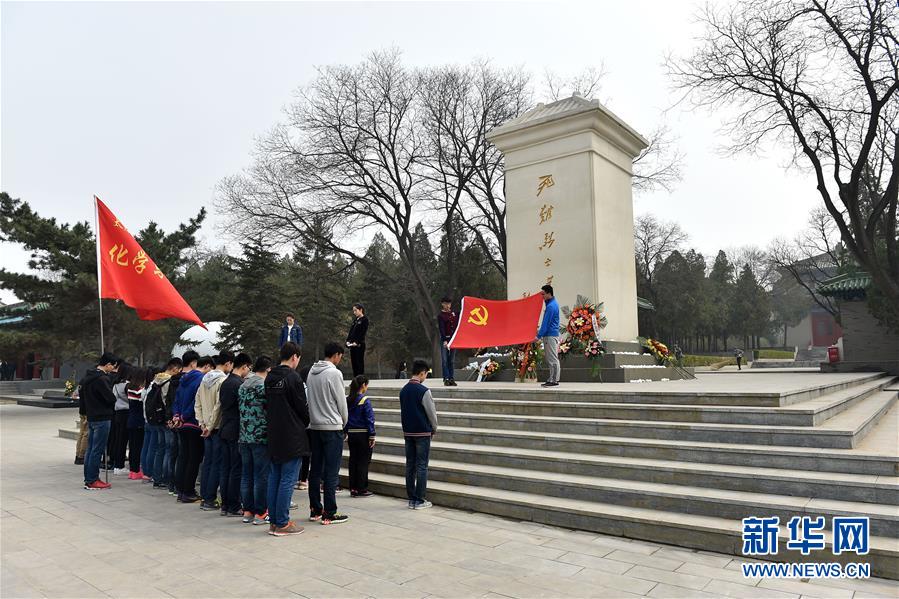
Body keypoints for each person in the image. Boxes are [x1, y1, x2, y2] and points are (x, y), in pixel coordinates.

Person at [264, 342, 310, 536]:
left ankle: (274, 521)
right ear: (294, 357)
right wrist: (306, 419)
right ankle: (283, 523)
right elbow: (301, 406)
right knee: (287, 479)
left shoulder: (270, 377)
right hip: (291, 435)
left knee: (275, 477)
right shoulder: (293, 377)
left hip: (274, 432)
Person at [306, 342, 349, 525]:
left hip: (314, 426)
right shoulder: (334, 373)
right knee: (331, 471)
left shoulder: (311, 372)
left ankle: (315, 509)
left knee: (315, 470)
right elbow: (341, 402)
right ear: (337, 355)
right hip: (332, 427)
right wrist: (344, 422)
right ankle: (329, 512)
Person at [195, 350, 234, 510]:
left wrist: (202, 423)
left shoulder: (204, 378)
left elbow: (197, 402)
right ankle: (210, 498)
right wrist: (210, 426)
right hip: (216, 428)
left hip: (206, 428)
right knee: (217, 464)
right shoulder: (223, 380)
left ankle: (205, 496)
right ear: (228, 364)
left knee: (208, 462)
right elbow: (219, 405)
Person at [172, 355, 214, 503]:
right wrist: (185, 416)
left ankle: (181, 490)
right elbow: (196, 402)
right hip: (193, 423)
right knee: (193, 459)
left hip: (182, 425)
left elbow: (176, 400)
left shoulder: (183, 380)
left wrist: (177, 416)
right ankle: (188, 491)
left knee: (183, 457)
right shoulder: (199, 380)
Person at [239, 355, 272, 525]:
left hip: (243, 436)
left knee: (246, 475)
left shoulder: (243, 386)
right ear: (267, 369)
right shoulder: (262, 386)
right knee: (261, 476)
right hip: (260, 436)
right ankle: (261, 512)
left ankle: (247, 511)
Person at [400, 360, 438, 509]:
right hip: (422, 432)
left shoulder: (403, 390)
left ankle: (411, 498)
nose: (425, 377)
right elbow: (431, 413)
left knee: (410, 465)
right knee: (422, 466)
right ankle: (420, 499)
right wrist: (434, 428)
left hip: (408, 431)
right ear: (422, 373)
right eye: (426, 374)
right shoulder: (424, 391)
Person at [219, 352, 252, 517]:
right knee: (236, 469)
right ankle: (234, 505)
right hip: (235, 429)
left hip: (224, 428)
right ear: (244, 366)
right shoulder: (239, 384)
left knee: (225, 468)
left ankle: (225, 504)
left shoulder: (225, 382)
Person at [80, 353, 119, 489]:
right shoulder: (102, 379)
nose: (113, 369)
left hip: (91, 415)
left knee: (91, 449)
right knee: (97, 449)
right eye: (113, 366)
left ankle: (89, 478)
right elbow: (110, 398)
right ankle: (93, 479)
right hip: (102, 416)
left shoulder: (88, 377)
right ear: (107, 364)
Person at [144, 357, 182, 489]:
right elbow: (168, 401)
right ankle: (165, 478)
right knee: (168, 450)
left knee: (159, 449)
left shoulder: (156, 380)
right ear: (175, 368)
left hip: (155, 418)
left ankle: (156, 477)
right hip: (165, 418)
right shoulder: (168, 381)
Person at [345, 375, 375, 498]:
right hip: (363, 434)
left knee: (353, 460)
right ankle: (361, 488)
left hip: (351, 433)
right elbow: (369, 419)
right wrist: (372, 435)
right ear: (363, 385)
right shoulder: (364, 400)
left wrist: (346, 430)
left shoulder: (348, 400)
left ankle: (353, 488)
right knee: (363, 461)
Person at [108, 364, 132, 474]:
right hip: (126, 413)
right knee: (123, 441)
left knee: (118, 439)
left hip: (117, 413)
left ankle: (116, 464)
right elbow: (131, 399)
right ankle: (120, 465)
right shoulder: (127, 385)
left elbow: (113, 398)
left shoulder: (115, 385)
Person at [125, 367, 148, 480]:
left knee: (133, 447)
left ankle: (132, 470)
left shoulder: (129, 388)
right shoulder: (140, 391)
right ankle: (136, 470)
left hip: (131, 420)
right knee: (138, 447)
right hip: (139, 421)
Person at [537, 284, 561, 387]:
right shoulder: (550, 304)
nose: (541, 296)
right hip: (549, 335)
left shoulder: (551, 306)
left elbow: (545, 323)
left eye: (543, 294)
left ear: (548, 293)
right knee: (550, 358)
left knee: (552, 358)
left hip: (550, 335)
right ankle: (552, 378)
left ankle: (554, 380)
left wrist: (538, 336)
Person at [437, 297, 459, 387]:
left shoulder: (454, 314)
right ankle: (446, 378)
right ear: (442, 304)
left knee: (452, 360)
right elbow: (441, 328)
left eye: (449, 304)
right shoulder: (441, 315)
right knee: (445, 360)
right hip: (445, 339)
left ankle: (451, 378)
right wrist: (445, 340)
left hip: (453, 339)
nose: (448, 305)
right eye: (446, 304)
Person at [346, 303, 369, 377]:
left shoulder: (364, 320)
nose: (354, 312)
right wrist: (348, 341)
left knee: (359, 362)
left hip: (359, 345)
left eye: (355, 310)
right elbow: (351, 332)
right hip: (352, 345)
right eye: (353, 311)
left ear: (361, 310)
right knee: (354, 363)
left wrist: (357, 342)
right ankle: (355, 379)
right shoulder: (355, 320)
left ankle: (360, 380)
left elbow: (363, 333)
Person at [74, 385, 88, 465]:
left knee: (81, 434)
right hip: (87, 411)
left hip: (82, 410)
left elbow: (75, 394)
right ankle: (81, 456)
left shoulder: (82, 382)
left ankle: (77, 455)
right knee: (86, 434)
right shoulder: (91, 381)